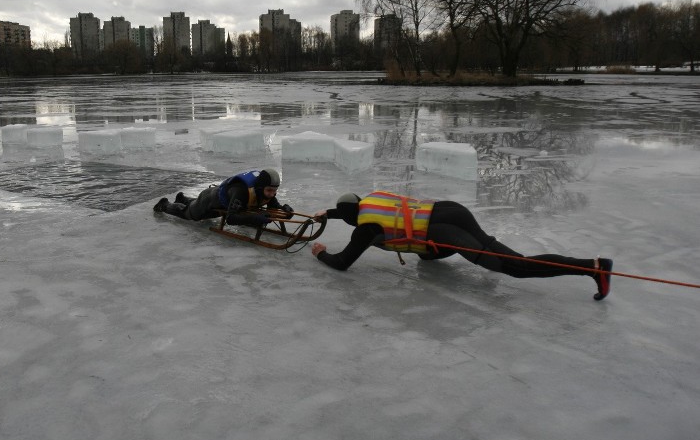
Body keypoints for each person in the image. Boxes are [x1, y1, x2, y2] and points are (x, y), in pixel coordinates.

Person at [311, 191, 612, 300]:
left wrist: (322, 253)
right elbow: (351, 209)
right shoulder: (371, 201)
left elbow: (342, 263)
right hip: (450, 210)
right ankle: (590, 267)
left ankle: (592, 267)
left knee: (514, 266)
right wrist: (330, 212)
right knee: (428, 254)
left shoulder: (365, 229)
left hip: (446, 231)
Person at [153, 169, 294, 227]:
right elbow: (231, 219)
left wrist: (285, 209)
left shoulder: (265, 191)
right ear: (260, 187)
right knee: (189, 214)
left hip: (220, 202)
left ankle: (183, 198)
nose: (272, 194)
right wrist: (255, 219)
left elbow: (273, 205)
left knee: (193, 206)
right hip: (209, 200)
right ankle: (165, 205)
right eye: (269, 190)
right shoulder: (242, 192)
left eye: (275, 191)